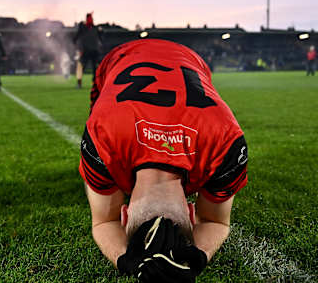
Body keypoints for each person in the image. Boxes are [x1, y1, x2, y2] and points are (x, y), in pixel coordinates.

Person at [79, 39, 248, 282]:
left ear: (191, 213)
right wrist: (197, 259)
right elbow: (215, 221)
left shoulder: (227, 143)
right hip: (135, 58)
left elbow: (104, 221)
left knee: (98, 166)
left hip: (177, 57)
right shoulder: (101, 137)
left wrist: (126, 260)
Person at [73, 13, 103, 89]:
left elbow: (101, 36)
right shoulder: (85, 27)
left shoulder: (93, 28)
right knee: (86, 67)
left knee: (94, 68)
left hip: (91, 50)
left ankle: (93, 83)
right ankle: (82, 83)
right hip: (87, 50)